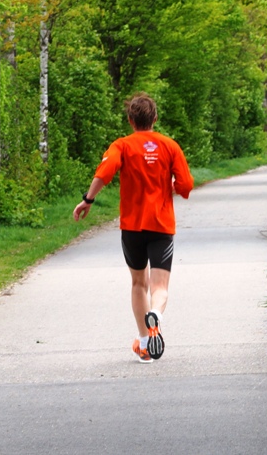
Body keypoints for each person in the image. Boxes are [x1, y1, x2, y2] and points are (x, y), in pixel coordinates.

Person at [73, 93, 194, 363]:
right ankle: (157, 317)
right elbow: (186, 184)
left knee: (139, 282)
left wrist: (87, 200)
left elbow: (104, 173)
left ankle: (143, 344)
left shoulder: (122, 145)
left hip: (132, 227)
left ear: (130, 120)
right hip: (161, 225)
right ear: (155, 118)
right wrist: (170, 188)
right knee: (160, 286)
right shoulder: (169, 146)